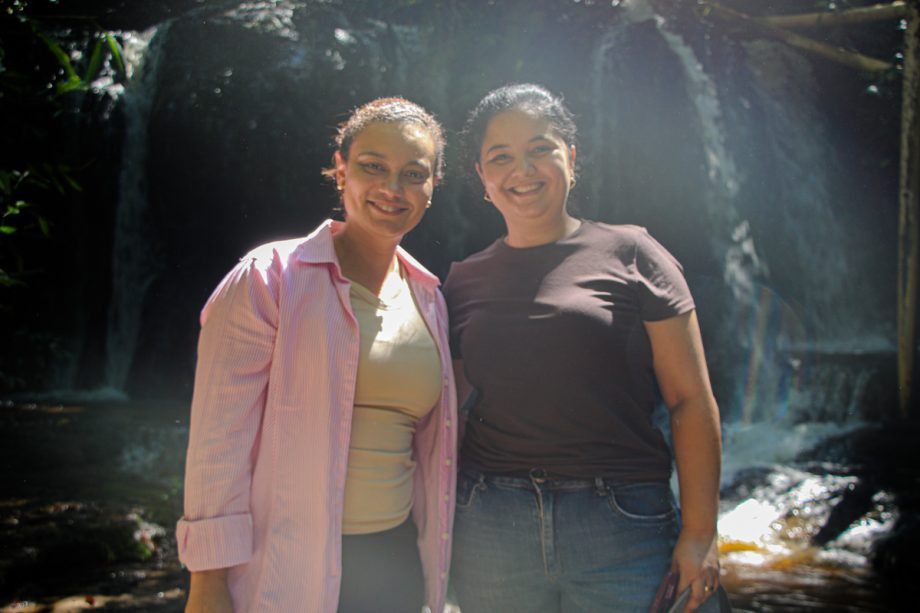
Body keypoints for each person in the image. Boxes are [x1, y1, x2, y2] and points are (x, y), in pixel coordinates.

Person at [444, 84, 722, 612]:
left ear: (570, 158)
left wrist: (701, 531)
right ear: (482, 178)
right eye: (500, 157)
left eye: (540, 149)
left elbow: (690, 398)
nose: (522, 169)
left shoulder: (634, 252)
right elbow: (448, 416)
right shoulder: (462, 280)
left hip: (621, 521)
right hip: (491, 523)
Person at [176, 97, 457, 613]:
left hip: (395, 563)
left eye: (413, 173)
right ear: (341, 168)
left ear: (432, 187)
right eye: (373, 166)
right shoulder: (268, 278)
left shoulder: (429, 297)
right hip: (285, 569)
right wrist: (208, 582)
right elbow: (219, 440)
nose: (392, 188)